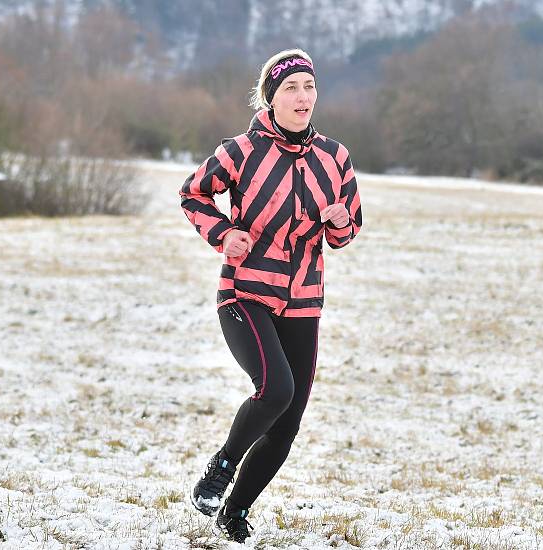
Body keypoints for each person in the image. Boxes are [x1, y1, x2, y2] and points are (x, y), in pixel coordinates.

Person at [179, 48, 362, 543]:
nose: (303, 97)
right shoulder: (239, 151)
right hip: (245, 293)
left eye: (309, 86)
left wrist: (341, 224)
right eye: (291, 89)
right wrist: (221, 233)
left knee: (288, 420)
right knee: (275, 390)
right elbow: (192, 194)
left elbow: (346, 234)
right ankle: (221, 467)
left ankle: (233, 511)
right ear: (271, 98)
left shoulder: (335, 157)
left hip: (303, 298)